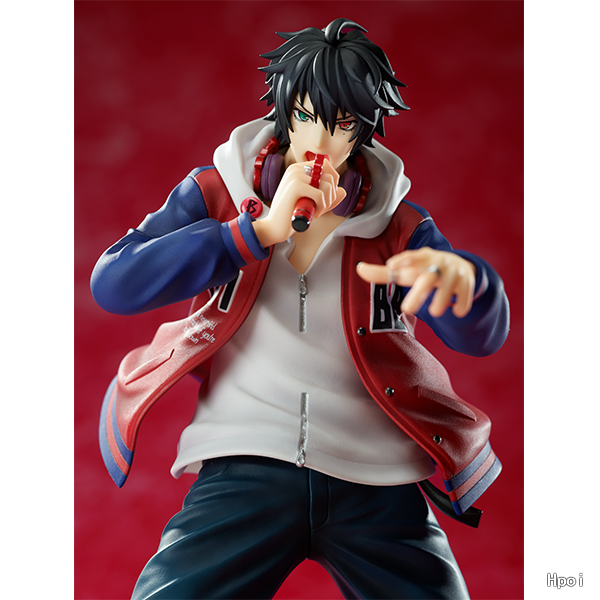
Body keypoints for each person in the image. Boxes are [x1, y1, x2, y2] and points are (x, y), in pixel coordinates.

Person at [91, 18, 509, 599]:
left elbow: (480, 336)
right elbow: (114, 283)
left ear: (364, 131)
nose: (320, 141)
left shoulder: (399, 225)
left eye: (342, 125)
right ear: (284, 111)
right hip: (246, 458)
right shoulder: (218, 194)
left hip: (376, 476)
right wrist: (254, 232)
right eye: (306, 116)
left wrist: (470, 285)